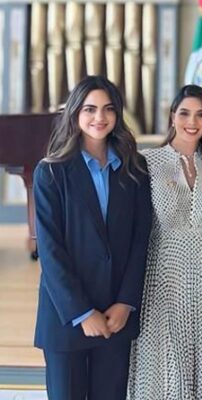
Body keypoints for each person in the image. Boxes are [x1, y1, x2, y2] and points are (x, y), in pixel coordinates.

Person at [33, 75, 152, 400]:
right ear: (75, 113)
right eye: (90, 109)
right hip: (66, 317)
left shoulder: (135, 169)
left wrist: (126, 303)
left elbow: (140, 241)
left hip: (116, 316)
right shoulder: (51, 172)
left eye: (108, 109)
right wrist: (82, 313)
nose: (100, 117)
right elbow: (50, 250)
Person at [127, 85, 202, 399]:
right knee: (165, 356)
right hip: (162, 273)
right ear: (172, 116)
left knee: (201, 355)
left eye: (201, 115)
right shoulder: (146, 161)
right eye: (185, 113)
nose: (192, 121)